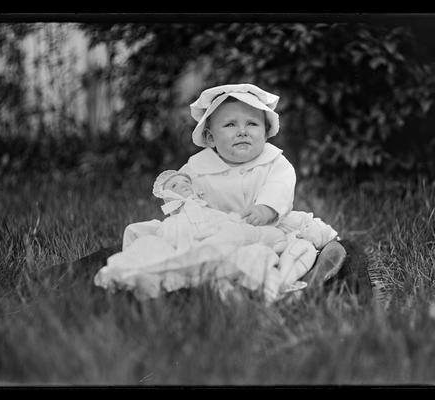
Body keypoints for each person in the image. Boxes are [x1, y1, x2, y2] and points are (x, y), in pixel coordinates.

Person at [123, 83, 363, 298]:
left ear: (266, 132)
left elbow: (280, 185)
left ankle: (295, 278)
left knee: (300, 243)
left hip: (266, 227)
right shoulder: (197, 167)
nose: (242, 131)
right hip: (216, 231)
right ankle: (187, 275)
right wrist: (183, 199)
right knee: (167, 239)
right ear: (210, 138)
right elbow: (180, 192)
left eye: (252, 124)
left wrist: (266, 208)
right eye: (230, 124)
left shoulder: (274, 161)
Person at [93, 169, 310, 303]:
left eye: (186, 183)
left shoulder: (210, 211)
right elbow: (160, 236)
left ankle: (257, 292)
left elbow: (230, 225)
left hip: (217, 244)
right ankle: (162, 278)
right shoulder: (171, 223)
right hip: (185, 246)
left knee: (241, 250)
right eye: (175, 185)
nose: (183, 186)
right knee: (152, 249)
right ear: (166, 197)